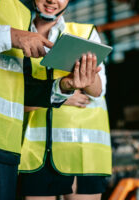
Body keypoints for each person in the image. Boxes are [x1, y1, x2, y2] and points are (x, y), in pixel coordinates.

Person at [0, 0, 99, 199]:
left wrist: (63, 87)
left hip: (0, 145)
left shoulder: (20, 10)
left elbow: (20, 86)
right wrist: (8, 35)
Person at [18, 0, 112, 199]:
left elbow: (97, 91)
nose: (53, 0)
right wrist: (62, 95)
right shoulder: (17, 36)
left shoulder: (84, 34)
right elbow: (11, 97)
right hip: (33, 153)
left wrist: (86, 77)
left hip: (82, 150)